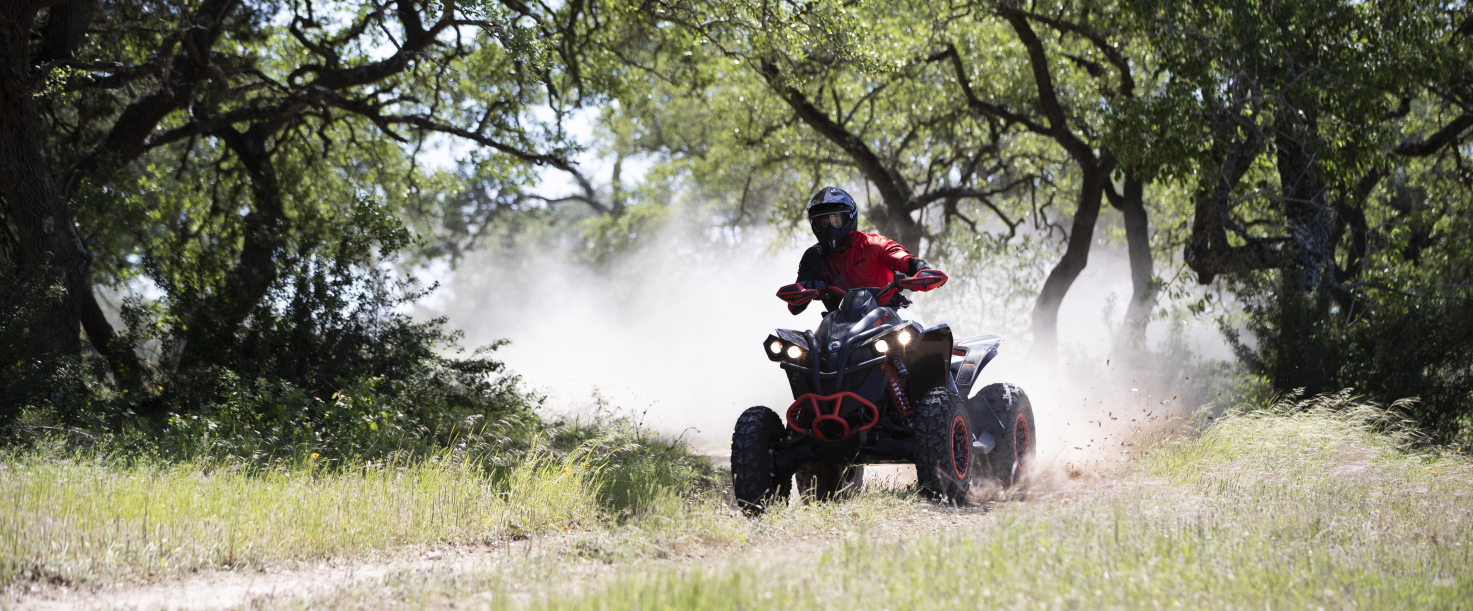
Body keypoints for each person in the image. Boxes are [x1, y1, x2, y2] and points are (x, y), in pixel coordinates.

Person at [787, 186, 937, 317]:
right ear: (815, 224)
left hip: (890, 315)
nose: (831, 228)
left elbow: (906, 261)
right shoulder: (812, 258)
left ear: (850, 219)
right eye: (824, 222)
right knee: (809, 345)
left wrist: (923, 271)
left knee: (919, 333)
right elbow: (794, 306)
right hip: (840, 325)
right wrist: (807, 288)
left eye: (837, 221)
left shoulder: (874, 244)